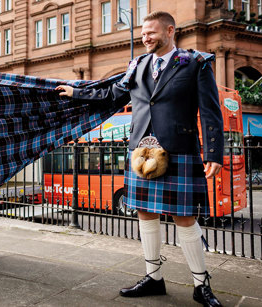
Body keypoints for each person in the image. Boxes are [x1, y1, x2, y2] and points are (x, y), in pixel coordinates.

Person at [55, 11, 223, 307]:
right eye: (143, 33)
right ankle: (153, 278)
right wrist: (76, 91)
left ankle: (201, 284)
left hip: (179, 149)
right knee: (145, 213)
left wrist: (213, 152)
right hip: (140, 152)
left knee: (184, 218)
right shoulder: (138, 64)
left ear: (170, 31)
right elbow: (112, 94)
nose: (145, 38)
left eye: (151, 32)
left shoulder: (195, 62)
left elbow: (210, 111)